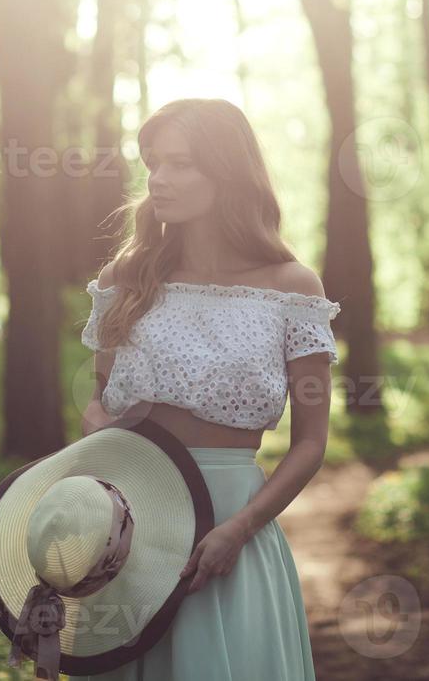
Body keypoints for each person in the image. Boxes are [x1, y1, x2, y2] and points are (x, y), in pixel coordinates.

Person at [69, 97, 341, 680]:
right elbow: (99, 397)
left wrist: (240, 529)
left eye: (181, 163)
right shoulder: (127, 277)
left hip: (230, 528)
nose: (159, 179)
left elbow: (311, 444)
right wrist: (96, 424)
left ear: (227, 170)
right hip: (131, 517)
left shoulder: (292, 288)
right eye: (153, 163)